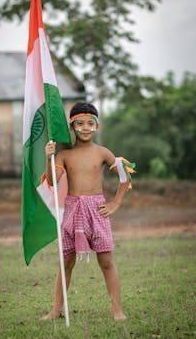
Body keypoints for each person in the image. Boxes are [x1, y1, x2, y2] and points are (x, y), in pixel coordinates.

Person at [42, 102, 135, 321]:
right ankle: (56, 310)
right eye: (80, 123)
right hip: (73, 209)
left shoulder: (103, 153)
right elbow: (53, 181)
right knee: (66, 262)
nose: (85, 128)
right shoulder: (64, 156)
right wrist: (49, 158)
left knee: (106, 261)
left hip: (97, 210)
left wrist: (116, 203)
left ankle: (117, 310)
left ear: (97, 126)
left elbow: (125, 176)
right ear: (71, 126)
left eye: (90, 124)